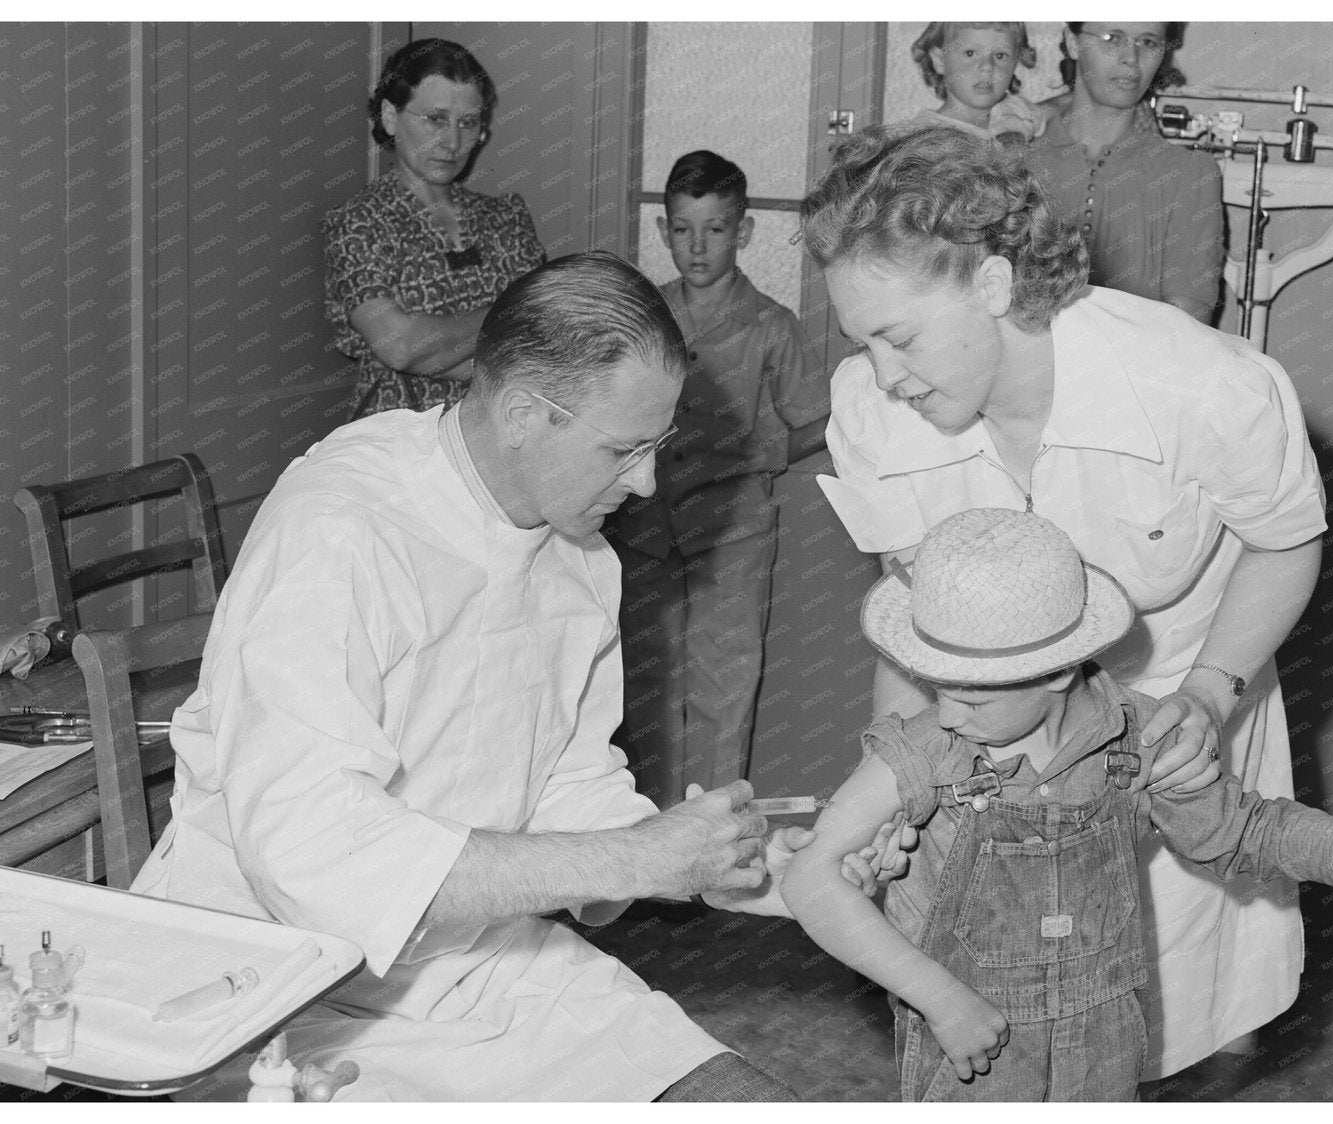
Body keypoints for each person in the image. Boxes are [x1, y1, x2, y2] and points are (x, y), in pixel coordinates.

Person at [131, 251, 907, 1102]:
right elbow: (309, 850)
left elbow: (566, 789)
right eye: (623, 448)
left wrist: (743, 869)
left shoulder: (579, 555)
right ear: (521, 414)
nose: (647, 481)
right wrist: (633, 859)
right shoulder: (342, 527)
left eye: (658, 445)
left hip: (476, 962)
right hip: (265, 980)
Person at [800, 123, 1328, 1081]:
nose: (882, 373)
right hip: (997, 751)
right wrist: (899, 790)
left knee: (1152, 1021)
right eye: (860, 341)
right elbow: (918, 621)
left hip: (1172, 715)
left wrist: (1211, 694)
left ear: (995, 287)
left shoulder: (1202, 386)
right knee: (998, 1010)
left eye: (900, 335)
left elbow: (1287, 541)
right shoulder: (876, 409)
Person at [781, 507, 1333, 1102]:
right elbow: (812, 877)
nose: (945, 714)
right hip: (972, 1033)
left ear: (1055, 672)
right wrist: (939, 999)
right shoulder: (926, 750)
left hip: (1106, 1036)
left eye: (973, 700)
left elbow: (1241, 831)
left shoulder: (1143, 737)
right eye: (936, 689)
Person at [606, 150, 829, 809]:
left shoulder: (771, 325)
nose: (698, 246)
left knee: (722, 692)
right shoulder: (642, 320)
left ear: (745, 232)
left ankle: (712, 845)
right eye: (682, 228)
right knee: (644, 687)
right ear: (662, 230)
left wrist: (764, 447)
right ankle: (646, 839)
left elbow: (816, 418)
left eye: (715, 228)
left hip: (731, 537)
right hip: (644, 532)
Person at [322, 38, 545, 421]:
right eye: (435, 119)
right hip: (401, 440)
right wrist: (505, 317)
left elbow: (542, 331)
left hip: (502, 433)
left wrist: (439, 351)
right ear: (391, 116)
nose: (453, 142)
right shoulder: (361, 223)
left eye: (467, 122)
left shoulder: (504, 218)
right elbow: (401, 346)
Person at [1026, 22, 1223, 322]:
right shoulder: (1017, 160)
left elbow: (1187, 331)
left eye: (1148, 42)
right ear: (1073, 42)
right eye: (1112, 38)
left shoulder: (1188, 175)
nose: (1131, 57)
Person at [907, 22, 1046, 141]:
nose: (987, 67)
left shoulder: (1018, 110)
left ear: (1015, 63)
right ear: (939, 60)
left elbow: (1055, 111)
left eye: (1000, 55)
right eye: (970, 53)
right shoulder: (923, 138)